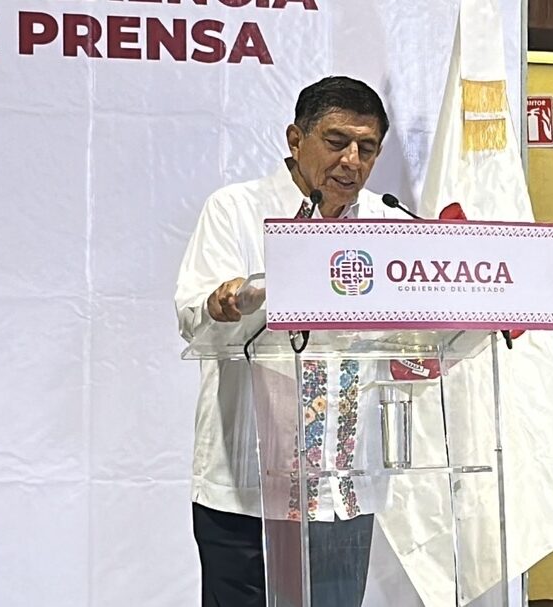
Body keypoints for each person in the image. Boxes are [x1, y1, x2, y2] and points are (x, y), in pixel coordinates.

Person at [175, 76, 409, 607]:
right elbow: (192, 317)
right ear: (295, 139)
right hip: (247, 485)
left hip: (342, 486)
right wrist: (222, 302)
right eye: (336, 142)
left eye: (367, 148)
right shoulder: (236, 210)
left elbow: (412, 333)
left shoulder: (390, 223)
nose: (351, 161)